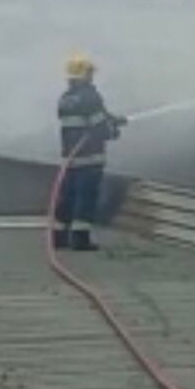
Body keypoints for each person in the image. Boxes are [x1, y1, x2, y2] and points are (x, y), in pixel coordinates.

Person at [54, 54, 127, 251]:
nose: (92, 76)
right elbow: (99, 128)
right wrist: (114, 130)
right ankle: (80, 239)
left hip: (70, 158)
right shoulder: (90, 96)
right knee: (86, 198)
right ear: (84, 74)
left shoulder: (66, 98)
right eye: (90, 72)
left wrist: (112, 118)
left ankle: (59, 237)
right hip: (90, 158)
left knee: (67, 197)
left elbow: (85, 120)